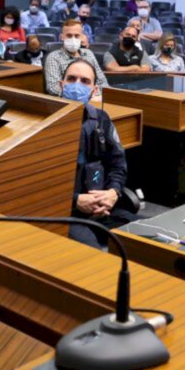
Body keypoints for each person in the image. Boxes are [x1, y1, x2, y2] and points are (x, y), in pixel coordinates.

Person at [60, 59, 134, 248]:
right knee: (92, 254)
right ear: (61, 85)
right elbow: (38, 184)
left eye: (85, 81)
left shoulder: (101, 119)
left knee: (141, 236)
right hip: (65, 212)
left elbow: (118, 164)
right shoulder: (46, 123)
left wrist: (112, 193)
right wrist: (75, 200)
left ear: (94, 90)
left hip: (103, 207)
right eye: (71, 79)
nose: (77, 85)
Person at [43, 19, 108, 96]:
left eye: (77, 36)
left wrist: (93, 96)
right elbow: (53, 88)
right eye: (69, 36)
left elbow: (102, 82)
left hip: (93, 100)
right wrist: (80, 96)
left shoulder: (89, 53)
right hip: (67, 102)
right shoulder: (54, 57)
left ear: (82, 37)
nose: (73, 39)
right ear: (62, 37)